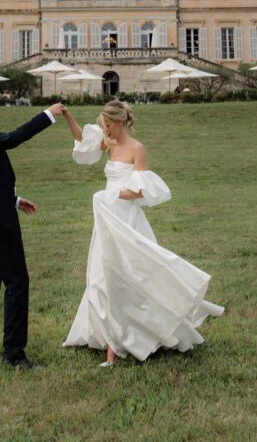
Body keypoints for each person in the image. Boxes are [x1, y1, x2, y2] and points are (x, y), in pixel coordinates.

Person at [60, 99, 223, 366]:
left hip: (127, 218)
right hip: (108, 217)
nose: (105, 130)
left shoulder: (137, 149)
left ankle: (147, 332)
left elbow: (140, 190)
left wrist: (111, 194)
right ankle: (111, 345)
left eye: (108, 125)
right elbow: (82, 138)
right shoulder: (109, 143)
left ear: (119, 122)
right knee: (104, 275)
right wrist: (67, 116)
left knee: (136, 275)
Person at [0, 92, 65, 368]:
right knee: (17, 282)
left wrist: (16, 201)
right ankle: (14, 354)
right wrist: (48, 115)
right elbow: (14, 138)